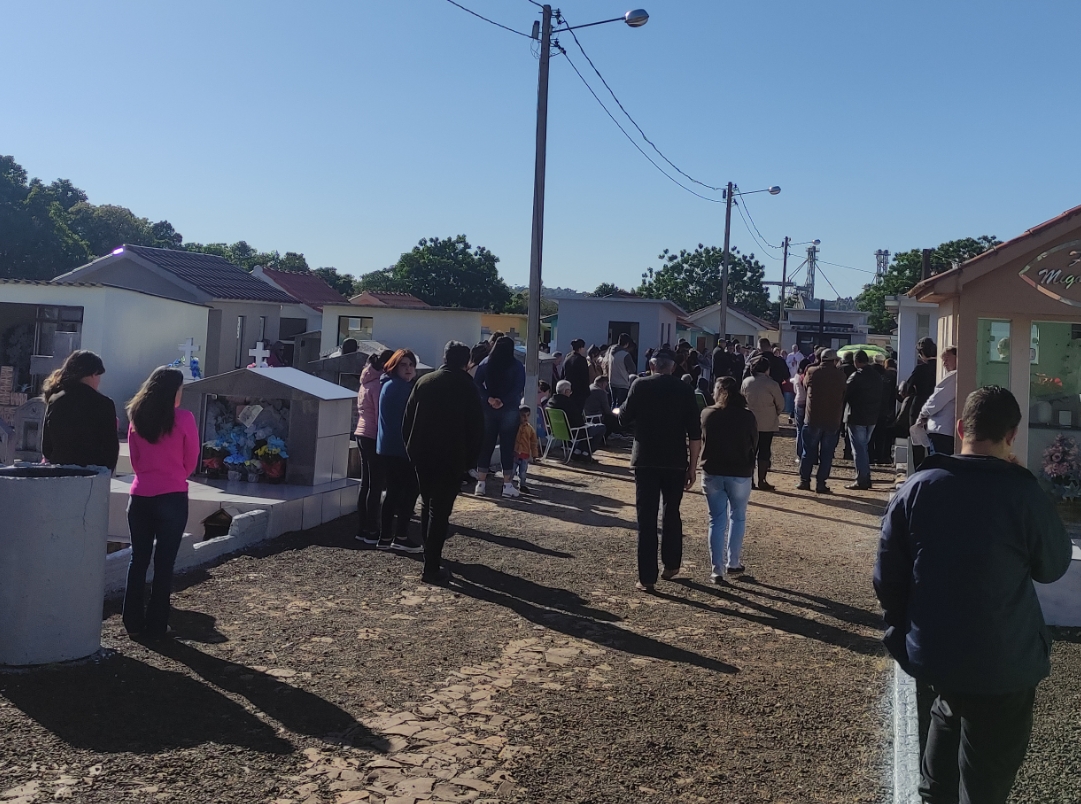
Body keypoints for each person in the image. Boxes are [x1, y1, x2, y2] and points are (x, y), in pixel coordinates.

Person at [874, 386, 1072, 804]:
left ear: (962, 428)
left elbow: (888, 577)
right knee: (985, 785)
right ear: (1012, 436)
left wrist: (904, 635)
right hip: (1004, 658)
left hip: (936, 654)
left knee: (941, 759)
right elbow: (1052, 566)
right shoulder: (1023, 494)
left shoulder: (918, 487)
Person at [122, 366, 199, 639]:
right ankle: (157, 624)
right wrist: (174, 475)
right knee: (164, 564)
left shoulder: (136, 418)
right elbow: (191, 459)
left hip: (140, 496)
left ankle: (132, 622)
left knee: (138, 560)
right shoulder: (185, 418)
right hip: (172, 496)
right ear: (173, 392)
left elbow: (135, 461)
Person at [618, 348, 702, 592]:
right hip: (675, 459)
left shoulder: (640, 385)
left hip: (645, 458)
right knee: (671, 511)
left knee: (646, 518)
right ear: (673, 367)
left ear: (652, 366)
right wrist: (693, 467)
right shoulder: (685, 389)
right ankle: (672, 563)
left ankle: (647, 577)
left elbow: (623, 418)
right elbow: (694, 433)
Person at [403, 341, 485, 585]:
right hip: (452, 457)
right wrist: (469, 462)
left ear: (444, 358)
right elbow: (477, 429)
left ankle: (429, 556)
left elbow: (407, 421)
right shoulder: (468, 387)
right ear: (466, 362)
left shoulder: (424, 382)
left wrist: (411, 450)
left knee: (427, 503)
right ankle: (431, 567)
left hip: (422, 455)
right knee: (440, 511)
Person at [700, 376, 758, 583]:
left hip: (713, 470)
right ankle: (733, 561)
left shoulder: (707, 414)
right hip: (739, 472)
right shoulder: (747, 416)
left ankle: (716, 569)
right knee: (738, 517)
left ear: (719, 391)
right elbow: (754, 443)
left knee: (716, 520)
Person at [41, 350, 119, 472]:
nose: (99, 381)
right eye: (98, 376)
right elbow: (111, 449)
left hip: (60, 473)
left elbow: (47, 448)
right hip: (91, 474)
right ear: (93, 374)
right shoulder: (104, 404)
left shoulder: (55, 400)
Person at [376, 349, 422, 553]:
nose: (408, 369)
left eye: (411, 364)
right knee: (410, 490)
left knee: (393, 492)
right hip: (401, 448)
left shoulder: (388, 384)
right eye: (403, 365)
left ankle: (385, 537)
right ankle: (401, 536)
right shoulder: (401, 388)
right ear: (394, 367)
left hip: (388, 447)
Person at [474, 336, 526, 498]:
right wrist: (504, 401)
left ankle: (481, 484)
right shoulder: (516, 365)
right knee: (507, 446)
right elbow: (519, 387)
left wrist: (489, 398)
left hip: (488, 409)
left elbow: (476, 383)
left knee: (486, 445)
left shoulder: (485, 363)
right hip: (509, 409)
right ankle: (507, 485)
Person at [353, 349, 394, 545]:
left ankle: (362, 528)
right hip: (372, 435)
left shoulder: (366, 381)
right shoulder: (378, 385)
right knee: (376, 485)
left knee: (366, 484)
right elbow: (380, 416)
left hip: (361, 433)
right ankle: (372, 529)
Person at [798, 349, 846, 493]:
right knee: (827, 454)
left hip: (813, 417)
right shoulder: (840, 375)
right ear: (834, 360)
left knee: (808, 452)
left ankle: (804, 481)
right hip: (832, 419)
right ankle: (821, 483)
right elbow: (844, 392)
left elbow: (805, 386)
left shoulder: (812, 372)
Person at [741, 357, 785, 491]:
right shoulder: (772, 384)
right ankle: (762, 480)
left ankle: (749, 479)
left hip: (749, 422)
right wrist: (774, 413)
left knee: (750, 451)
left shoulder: (746, 382)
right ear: (767, 369)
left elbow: (741, 399)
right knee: (764, 451)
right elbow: (780, 404)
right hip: (767, 422)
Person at [843, 350, 883, 490]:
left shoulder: (856, 376)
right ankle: (865, 477)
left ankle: (862, 478)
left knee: (859, 449)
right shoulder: (877, 376)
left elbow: (845, 393)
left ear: (856, 362)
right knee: (863, 447)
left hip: (856, 416)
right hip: (872, 417)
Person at [901, 338, 938, 468]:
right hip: (937, 408)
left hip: (919, 406)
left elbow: (906, 389)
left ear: (921, 353)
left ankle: (920, 470)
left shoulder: (920, 368)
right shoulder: (940, 368)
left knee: (918, 443)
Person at [918, 347, 958, 457]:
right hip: (946, 430)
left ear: (957, 357)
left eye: (947, 359)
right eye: (943, 360)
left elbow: (936, 400)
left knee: (938, 462)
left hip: (941, 429)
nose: (944, 363)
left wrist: (923, 414)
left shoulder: (954, 376)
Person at [549, 380, 602, 460]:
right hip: (572, 432)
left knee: (585, 430)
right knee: (601, 427)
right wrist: (584, 424)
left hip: (556, 431)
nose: (570, 393)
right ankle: (586, 453)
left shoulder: (551, 402)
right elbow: (579, 422)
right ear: (566, 391)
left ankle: (578, 451)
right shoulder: (568, 403)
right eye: (570, 391)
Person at [513, 406, 541, 494]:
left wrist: (535, 455)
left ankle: (522, 485)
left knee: (523, 473)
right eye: (523, 415)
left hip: (525, 455)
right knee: (511, 471)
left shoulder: (530, 429)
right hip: (514, 454)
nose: (525, 418)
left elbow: (533, 443)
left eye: (527, 415)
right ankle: (508, 484)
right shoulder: (514, 427)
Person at [605, 333, 637, 406]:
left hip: (612, 381)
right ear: (627, 344)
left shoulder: (611, 352)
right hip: (622, 383)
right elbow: (633, 369)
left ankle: (612, 413)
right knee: (620, 405)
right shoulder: (625, 355)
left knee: (613, 403)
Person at [562, 338, 591, 414]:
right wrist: (587, 392)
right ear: (580, 348)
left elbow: (562, 375)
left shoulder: (567, 359)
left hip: (568, 390)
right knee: (578, 412)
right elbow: (585, 377)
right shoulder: (582, 360)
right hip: (579, 392)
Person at [793, 359, 809, 461]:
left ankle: (799, 454)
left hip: (798, 401)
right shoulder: (809, 376)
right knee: (807, 429)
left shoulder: (797, 377)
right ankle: (806, 452)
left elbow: (795, 390)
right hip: (807, 402)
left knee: (799, 429)